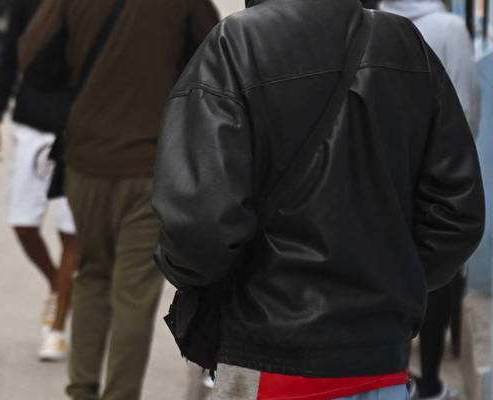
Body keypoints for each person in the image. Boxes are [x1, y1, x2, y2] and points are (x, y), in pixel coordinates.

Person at [153, 1, 484, 399]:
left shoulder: (236, 45)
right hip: (379, 359)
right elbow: (455, 213)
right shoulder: (405, 45)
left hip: (269, 354)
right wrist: (390, 283)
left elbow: (198, 227)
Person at [17, 0, 218, 398]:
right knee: (135, 292)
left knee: (91, 274)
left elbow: (32, 57)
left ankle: (82, 389)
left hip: (85, 160)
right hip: (151, 165)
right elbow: (214, 60)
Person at [377, 2, 480, 396]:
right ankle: (432, 382)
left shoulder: (377, 26)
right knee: (436, 278)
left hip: (384, 181)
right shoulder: (450, 29)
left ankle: (397, 374)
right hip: (433, 180)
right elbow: (467, 111)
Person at [0, 0, 78, 362]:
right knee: (23, 223)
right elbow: (9, 55)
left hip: (78, 123)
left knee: (72, 232)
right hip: (31, 120)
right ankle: (58, 285)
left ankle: (57, 327)